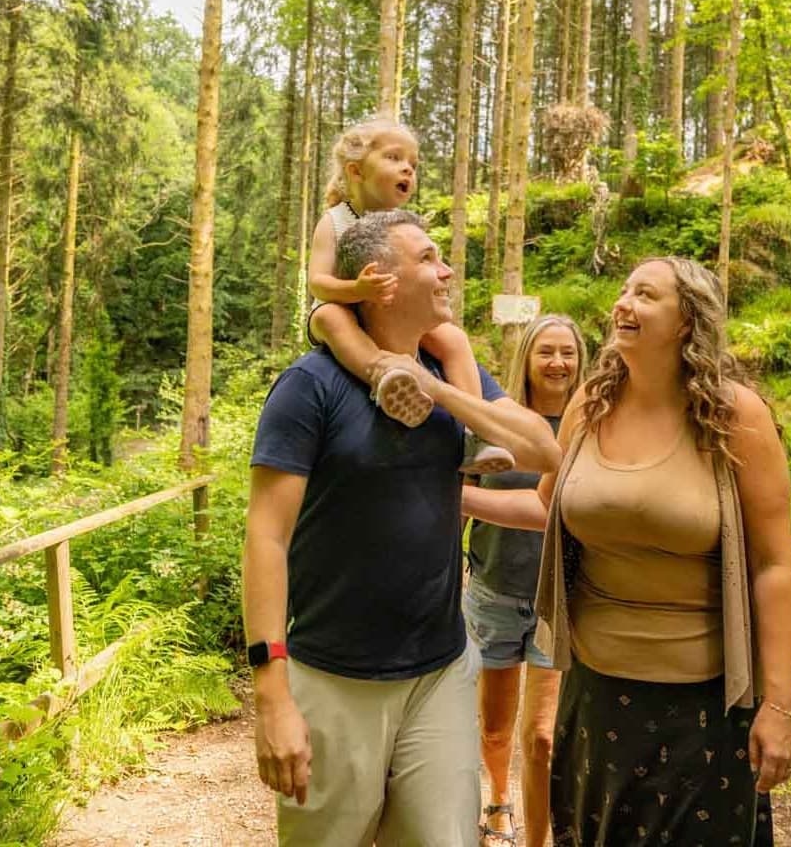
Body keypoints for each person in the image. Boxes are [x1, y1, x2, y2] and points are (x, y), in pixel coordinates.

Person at [244, 209, 562, 846]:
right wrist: (273, 696)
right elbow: (265, 539)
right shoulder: (311, 388)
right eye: (428, 258)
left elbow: (543, 452)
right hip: (333, 677)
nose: (446, 271)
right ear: (379, 278)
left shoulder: (452, 377)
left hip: (441, 671)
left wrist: (436, 391)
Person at [533, 256, 791, 847]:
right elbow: (549, 504)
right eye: (624, 291)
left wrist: (780, 706)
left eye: (645, 295)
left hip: (704, 704)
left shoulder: (735, 417)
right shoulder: (588, 406)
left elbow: (774, 566)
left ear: (686, 321)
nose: (623, 303)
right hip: (596, 692)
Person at [306, 116, 512, 474]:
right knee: (329, 316)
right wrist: (356, 290)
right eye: (393, 158)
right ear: (355, 171)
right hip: (343, 310)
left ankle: (476, 431)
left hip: (392, 315)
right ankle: (384, 375)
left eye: (413, 165)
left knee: (453, 338)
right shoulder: (335, 220)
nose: (407, 169)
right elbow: (318, 283)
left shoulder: (404, 226)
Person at [461, 316, 588, 847]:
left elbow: (558, 509)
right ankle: (496, 798)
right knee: (493, 728)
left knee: (541, 736)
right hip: (492, 590)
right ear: (528, 360)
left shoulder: (591, 426)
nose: (558, 363)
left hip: (557, 599)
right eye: (546, 353)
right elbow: (456, 499)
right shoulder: (496, 420)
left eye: (568, 353)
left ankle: (537, 838)